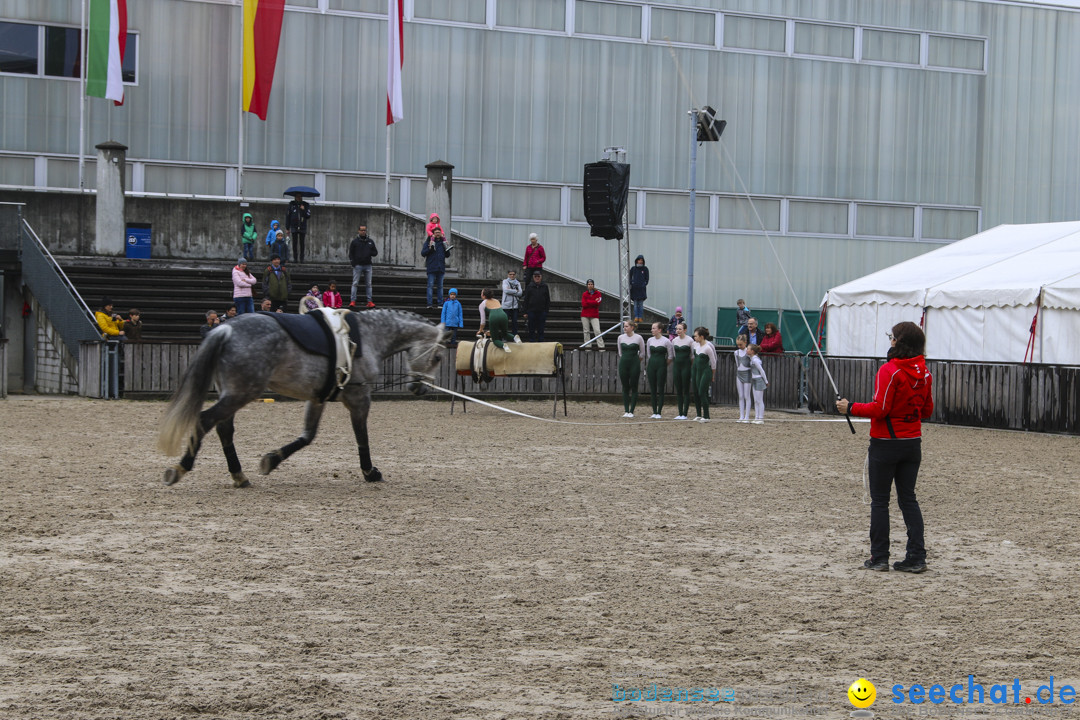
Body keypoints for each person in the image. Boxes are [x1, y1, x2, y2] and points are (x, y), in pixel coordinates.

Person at [837, 322, 934, 574]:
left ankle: (879, 557)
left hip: (886, 444)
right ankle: (917, 556)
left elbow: (880, 409)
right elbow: (927, 410)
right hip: (912, 444)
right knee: (908, 500)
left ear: (899, 341)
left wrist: (851, 407)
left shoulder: (889, 371)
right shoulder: (925, 374)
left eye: (892, 337)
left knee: (880, 502)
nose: (890, 340)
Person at [616, 320, 646, 417]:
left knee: (634, 386)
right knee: (625, 386)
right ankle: (626, 410)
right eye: (624, 326)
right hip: (624, 362)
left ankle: (632, 411)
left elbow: (642, 352)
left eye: (627, 326)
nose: (625, 328)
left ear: (632, 327)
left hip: (634, 363)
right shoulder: (620, 337)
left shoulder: (638, 337)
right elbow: (620, 352)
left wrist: (636, 361)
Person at [646, 322, 675, 419]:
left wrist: (664, 364)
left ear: (659, 330)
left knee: (661, 388)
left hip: (661, 365)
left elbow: (670, 355)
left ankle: (659, 412)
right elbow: (648, 354)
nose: (652, 330)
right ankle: (654, 411)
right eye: (651, 328)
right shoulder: (650, 340)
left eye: (654, 328)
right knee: (653, 388)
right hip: (651, 365)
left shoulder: (666, 341)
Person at [477, 288, 518, 352]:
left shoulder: (482, 304)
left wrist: (481, 330)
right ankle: (515, 338)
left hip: (493, 317)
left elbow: (483, 321)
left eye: (481, 293)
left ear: (483, 296)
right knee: (505, 334)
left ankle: (503, 345)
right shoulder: (496, 300)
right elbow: (498, 314)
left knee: (495, 339)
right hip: (504, 315)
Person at [691, 326, 717, 422]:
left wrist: (713, 375)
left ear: (701, 336)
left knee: (702, 391)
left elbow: (713, 363)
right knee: (697, 392)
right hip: (698, 371)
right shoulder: (695, 345)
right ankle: (699, 414)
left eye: (696, 336)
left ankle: (706, 416)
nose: (694, 338)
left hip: (706, 371)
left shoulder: (708, 347)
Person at [348, 224, 378, 308]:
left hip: (368, 265)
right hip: (358, 265)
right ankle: (353, 301)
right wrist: (353, 263)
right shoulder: (355, 242)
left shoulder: (370, 241)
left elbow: (375, 252)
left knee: (368, 284)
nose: (363, 231)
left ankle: (369, 301)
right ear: (358, 231)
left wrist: (368, 252)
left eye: (364, 230)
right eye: (361, 230)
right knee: (355, 283)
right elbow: (351, 253)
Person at [421, 227, 451, 309]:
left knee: (440, 287)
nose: (438, 234)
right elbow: (423, 253)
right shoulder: (428, 242)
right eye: (436, 232)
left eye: (439, 232)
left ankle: (440, 304)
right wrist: (430, 247)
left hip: (440, 268)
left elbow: (448, 255)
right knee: (430, 286)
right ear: (433, 234)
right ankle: (429, 304)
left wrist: (446, 248)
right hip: (431, 267)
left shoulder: (443, 242)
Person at [671, 322, 694, 420]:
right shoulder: (674, 340)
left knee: (685, 389)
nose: (678, 331)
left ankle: (685, 413)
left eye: (680, 329)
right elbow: (673, 354)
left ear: (685, 330)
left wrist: (689, 365)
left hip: (686, 366)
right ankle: (680, 412)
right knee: (679, 390)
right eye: (677, 329)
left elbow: (692, 355)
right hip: (677, 366)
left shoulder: (690, 340)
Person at [520, 270, 551, 342]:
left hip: (542, 311)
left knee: (541, 328)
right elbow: (526, 300)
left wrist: (546, 311)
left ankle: (541, 340)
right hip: (531, 311)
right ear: (533, 277)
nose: (537, 278)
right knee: (531, 328)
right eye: (535, 276)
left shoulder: (545, 286)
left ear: (541, 277)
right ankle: (532, 341)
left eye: (538, 276)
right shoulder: (529, 287)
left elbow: (547, 299)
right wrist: (525, 312)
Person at [746, 343, 769, 424]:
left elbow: (762, 371)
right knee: (756, 400)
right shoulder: (752, 358)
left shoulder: (756, 360)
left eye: (748, 349)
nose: (746, 350)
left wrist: (766, 381)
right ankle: (756, 417)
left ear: (752, 351)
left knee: (759, 400)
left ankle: (761, 418)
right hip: (754, 380)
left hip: (759, 379)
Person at [286, 193, 311, 263]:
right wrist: (287, 228)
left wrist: (303, 210)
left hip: (302, 226)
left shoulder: (306, 205)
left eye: (300, 196)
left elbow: (308, 215)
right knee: (294, 243)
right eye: (297, 196)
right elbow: (288, 216)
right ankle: (295, 258)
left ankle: (302, 258)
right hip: (294, 226)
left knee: (302, 243)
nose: (298, 198)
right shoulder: (291, 205)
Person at [580, 279, 604, 350]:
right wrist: (593, 301)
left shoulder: (598, 293)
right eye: (589, 284)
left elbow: (598, 303)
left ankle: (601, 348)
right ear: (587, 285)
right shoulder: (584, 294)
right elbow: (584, 304)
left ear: (593, 285)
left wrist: (589, 301)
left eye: (591, 284)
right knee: (586, 331)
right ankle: (588, 347)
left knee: (597, 331)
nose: (590, 285)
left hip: (594, 315)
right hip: (585, 315)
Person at [734, 336, 752, 423]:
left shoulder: (748, 352)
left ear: (745, 343)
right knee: (740, 396)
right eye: (738, 345)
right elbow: (737, 364)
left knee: (746, 396)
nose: (739, 346)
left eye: (741, 344)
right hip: (739, 374)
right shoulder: (736, 352)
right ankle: (741, 416)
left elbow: (752, 363)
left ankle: (747, 417)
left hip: (747, 374)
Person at [500, 269, 523, 337]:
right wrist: (516, 291)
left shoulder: (518, 283)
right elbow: (506, 290)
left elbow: (520, 293)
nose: (512, 275)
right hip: (506, 306)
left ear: (515, 275)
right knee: (505, 323)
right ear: (508, 275)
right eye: (510, 274)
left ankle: (515, 337)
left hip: (515, 306)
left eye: (513, 274)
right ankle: (504, 336)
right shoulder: (505, 281)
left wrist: (511, 290)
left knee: (515, 323)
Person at [630, 254, 649, 322]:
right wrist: (631, 283)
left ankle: (640, 317)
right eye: (639, 260)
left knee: (640, 304)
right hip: (634, 289)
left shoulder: (645, 269)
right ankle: (636, 316)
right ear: (636, 261)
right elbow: (630, 277)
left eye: (641, 260)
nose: (640, 261)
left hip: (641, 289)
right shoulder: (633, 268)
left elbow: (647, 278)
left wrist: (644, 284)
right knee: (635, 304)